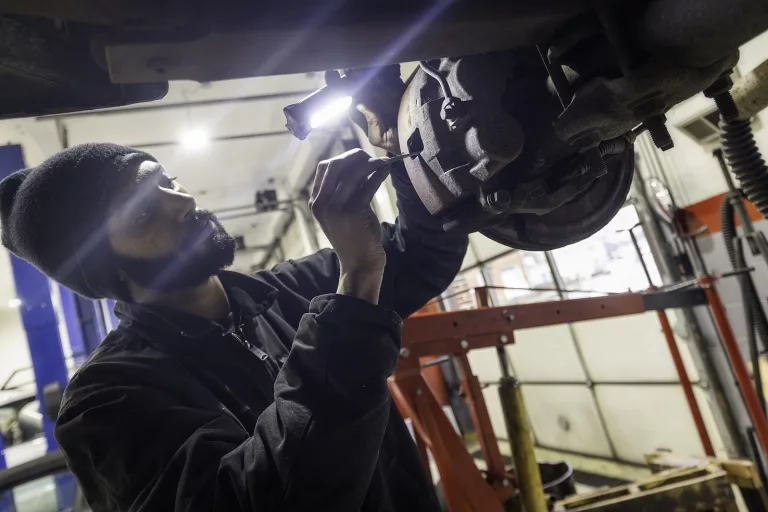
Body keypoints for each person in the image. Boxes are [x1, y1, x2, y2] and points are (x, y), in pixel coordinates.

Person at [0, 99, 468, 509]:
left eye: (167, 180)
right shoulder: (107, 402)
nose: (181, 201)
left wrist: (407, 138)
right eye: (143, 212)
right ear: (109, 268)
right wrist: (359, 278)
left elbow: (421, 253)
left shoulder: (290, 290)